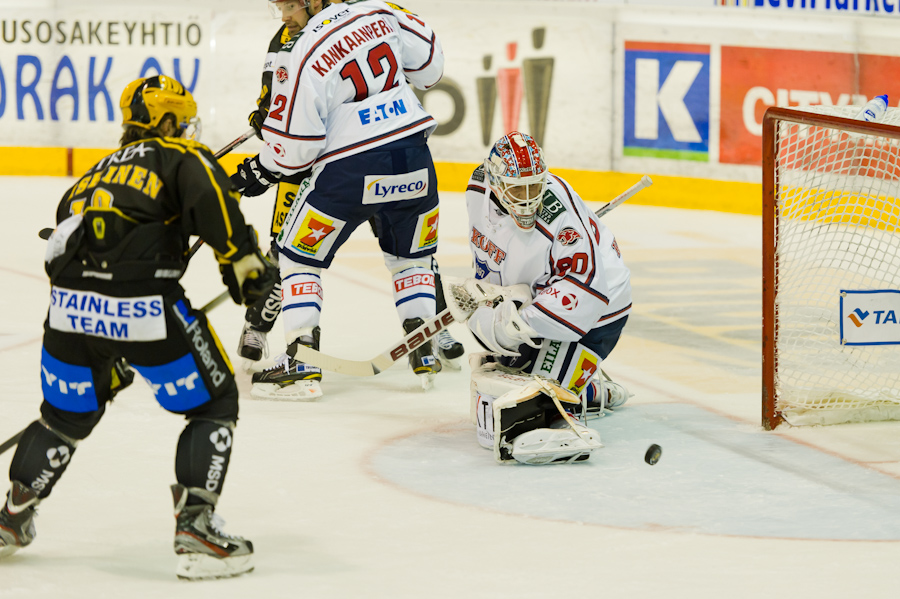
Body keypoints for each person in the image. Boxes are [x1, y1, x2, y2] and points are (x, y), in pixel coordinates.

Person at [0, 75, 277, 580]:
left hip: (67, 314)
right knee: (214, 404)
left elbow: (62, 252)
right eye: (182, 122)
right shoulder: (181, 157)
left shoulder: (87, 179)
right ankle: (195, 527)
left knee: (63, 415)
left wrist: (105, 349)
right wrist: (247, 269)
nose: (187, 130)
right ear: (167, 121)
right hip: (145, 307)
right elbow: (215, 206)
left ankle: (11, 518)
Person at [231, 0, 451, 400]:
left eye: (291, 5)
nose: (284, 16)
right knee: (411, 260)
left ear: (315, 0)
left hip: (351, 170)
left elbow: (296, 150)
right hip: (415, 158)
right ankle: (424, 345)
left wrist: (256, 171)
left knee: (296, 257)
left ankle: (302, 364)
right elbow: (431, 69)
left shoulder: (304, 48)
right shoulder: (379, 11)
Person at [455, 131, 633, 464]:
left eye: (534, 187)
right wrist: (492, 296)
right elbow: (490, 247)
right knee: (500, 379)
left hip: (597, 313)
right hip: (536, 299)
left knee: (525, 405)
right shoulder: (478, 187)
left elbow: (585, 291)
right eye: (517, 189)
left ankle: (569, 401)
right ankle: (587, 389)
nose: (526, 200)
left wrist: (519, 322)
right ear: (495, 182)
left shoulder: (560, 219)